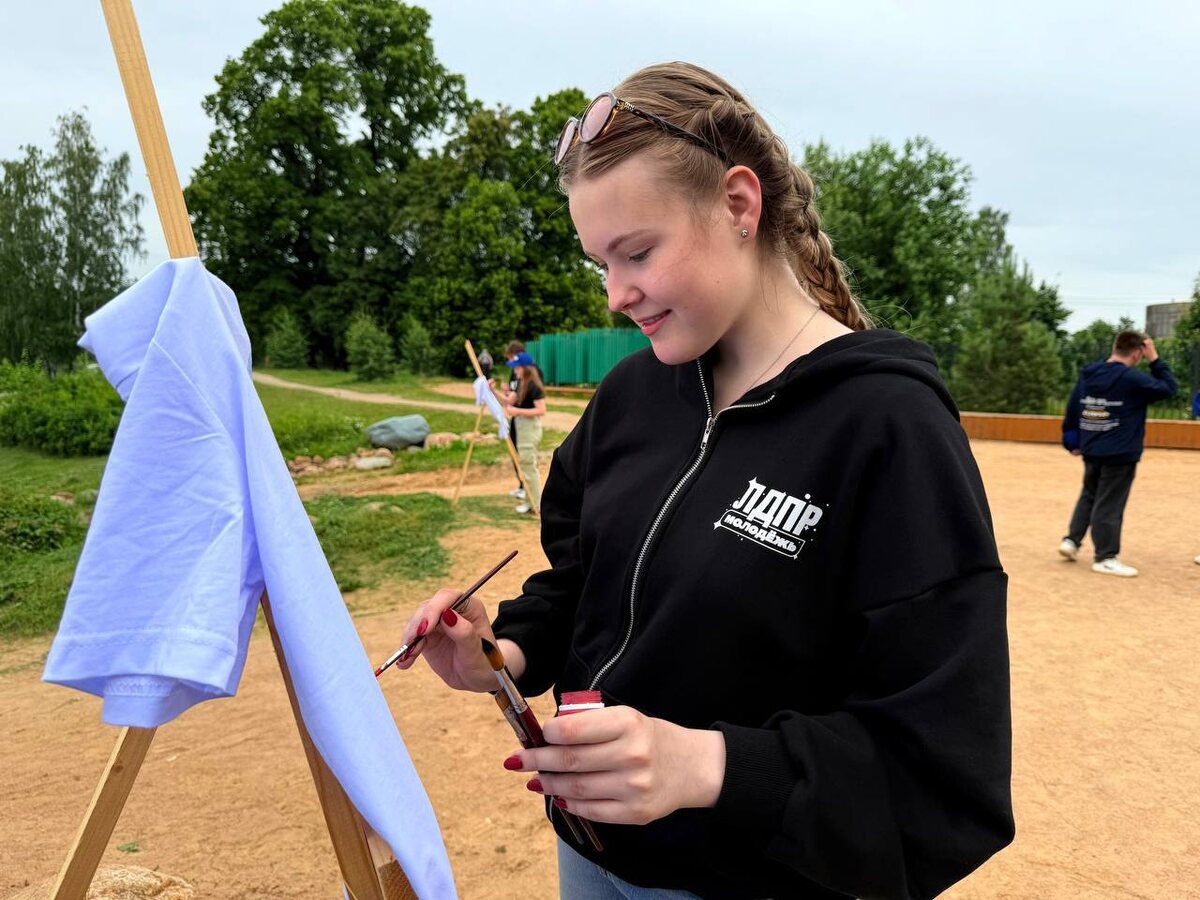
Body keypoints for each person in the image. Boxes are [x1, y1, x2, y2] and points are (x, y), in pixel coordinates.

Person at [394, 62, 1013, 899]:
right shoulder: (634, 393)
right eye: (599, 263)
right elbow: (584, 580)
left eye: (637, 252)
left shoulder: (887, 427)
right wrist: (500, 653)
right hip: (590, 855)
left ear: (739, 205)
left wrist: (704, 765)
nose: (615, 295)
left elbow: (941, 774)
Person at [1059, 331, 1176, 577]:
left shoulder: (1090, 373)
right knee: (1110, 504)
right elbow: (1168, 389)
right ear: (1138, 352)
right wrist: (1155, 359)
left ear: (1115, 347)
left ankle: (1071, 540)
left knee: (1090, 494)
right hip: (1120, 451)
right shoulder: (1132, 378)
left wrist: (1071, 440)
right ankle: (1105, 557)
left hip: (1092, 446)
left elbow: (1073, 407)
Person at [504, 351, 546, 514]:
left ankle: (536, 504)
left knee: (529, 467)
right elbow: (509, 401)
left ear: (525, 368)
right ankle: (531, 501)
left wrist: (517, 411)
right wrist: (491, 391)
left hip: (530, 429)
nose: (515, 371)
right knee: (526, 466)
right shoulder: (522, 383)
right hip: (523, 428)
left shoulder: (533, 385)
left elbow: (541, 410)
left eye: (517, 367)